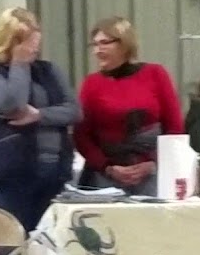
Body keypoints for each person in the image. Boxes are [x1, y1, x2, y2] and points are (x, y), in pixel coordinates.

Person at [0, 7, 80, 232]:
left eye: (36, 39)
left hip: (53, 174)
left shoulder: (48, 71)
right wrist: (19, 65)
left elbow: (74, 110)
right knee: (10, 249)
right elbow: (13, 104)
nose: (35, 46)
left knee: (49, 251)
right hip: (8, 177)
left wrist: (39, 115)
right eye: (28, 41)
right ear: (10, 41)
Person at [74, 16, 185, 196]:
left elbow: (175, 128)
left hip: (154, 174)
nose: (97, 50)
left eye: (104, 43)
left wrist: (153, 163)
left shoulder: (155, 74)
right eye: (94, 45)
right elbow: (81, 136)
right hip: (107, 179)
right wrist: (108, 167)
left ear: (123, 44)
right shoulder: (91, 84)